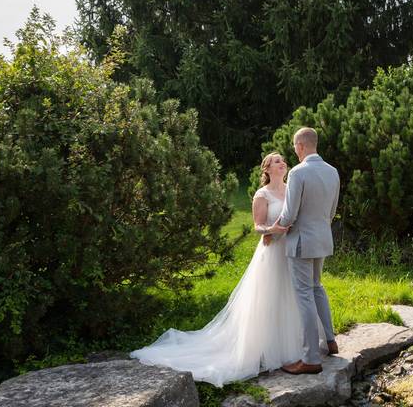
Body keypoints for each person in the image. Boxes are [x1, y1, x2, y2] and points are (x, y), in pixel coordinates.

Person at [129, 153, 304, 386]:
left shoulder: (291, 188)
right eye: (276, 161)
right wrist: (272, 229)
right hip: (272, 253)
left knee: (292, 296)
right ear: (267, 169)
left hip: (291, 252)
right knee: (269, 299)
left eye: (283, 160)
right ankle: (264, 350)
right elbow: (257, 226)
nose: (282, 163)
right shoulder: (262, 195)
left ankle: (294, 345)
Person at [268, 127, 340, 374]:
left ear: (300, 146)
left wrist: (272, 229)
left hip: (300, 241)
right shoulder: (333, 171)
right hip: (322, 239)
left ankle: (310, 358)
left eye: (294, 147)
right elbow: (331, 211)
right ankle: (330, 341)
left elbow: (289, 214)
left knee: (304, 295)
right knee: (317, 287)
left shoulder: (299, 173)